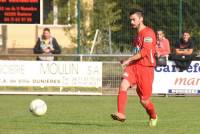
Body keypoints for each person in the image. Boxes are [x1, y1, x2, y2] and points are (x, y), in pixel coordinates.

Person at [111, 9, 158, 127]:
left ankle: (153, 116)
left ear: (141, 19)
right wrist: (128, 61)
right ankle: (121, 114)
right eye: (130, 20)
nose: (131, 22)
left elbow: (144, 52)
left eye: (134, 19)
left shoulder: (148, 33)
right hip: (134, 67)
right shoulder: (137, 36)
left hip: (146, 69)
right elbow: (137, 53)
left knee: (144, 101)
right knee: (123, 85)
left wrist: (128, 59)